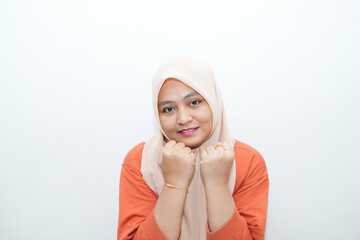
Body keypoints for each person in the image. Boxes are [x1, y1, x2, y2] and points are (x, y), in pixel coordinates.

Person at [117, 57, 269, 240]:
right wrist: (175, 181)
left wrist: (217, 183)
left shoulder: (248, 161)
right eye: (168, 109)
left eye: (194, 102)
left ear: (213, 101)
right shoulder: (141, 162)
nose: (183, 118)